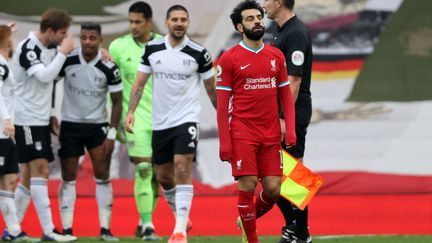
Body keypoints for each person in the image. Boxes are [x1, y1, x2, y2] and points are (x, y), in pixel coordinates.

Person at [125, 4, 216, 243]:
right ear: (166, 22)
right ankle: (181, 216)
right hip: (161, 122)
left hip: (186, 119)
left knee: (182, 167)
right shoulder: (152, 49)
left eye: (183, 19)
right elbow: (139, 84)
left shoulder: (199, 53)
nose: (179, 23)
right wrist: (131, 112)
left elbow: (212, 89)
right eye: (174, 19)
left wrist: (224, 116)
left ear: (187, 23)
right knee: (164, 177)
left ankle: (179, 231)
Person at [216, 1, 296, 242]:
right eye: (250, 19)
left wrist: (290, 130)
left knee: (273, 190)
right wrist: (225, 142)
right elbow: (222, 106)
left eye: (259, 17)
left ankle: (246, 218)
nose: (258, 21)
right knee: (248, 185)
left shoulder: (276, 55)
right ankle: (252, 239)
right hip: (243, 133)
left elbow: (285, 95)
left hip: (271, 134)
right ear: (240, 27)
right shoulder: (229, 60)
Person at [10, 8, 76, 242]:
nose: (64, 38)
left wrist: (49, 113)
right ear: (49, 31)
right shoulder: (28, 49)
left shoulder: (48, 48)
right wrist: (64, 54)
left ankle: (12, 230)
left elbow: (51, 82)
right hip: (26, 120)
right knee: (42, 171)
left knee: (28, 176)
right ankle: (48, 231)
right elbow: (45, 77)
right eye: (62, 33)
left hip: (38, 119)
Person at [56, 22, 122, 241]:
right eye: (83, 37)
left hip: (97, 127)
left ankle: (105, 229)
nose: (87, 42)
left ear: (100, 40)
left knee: (102, 175)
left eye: (92, 38)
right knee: (68, 176)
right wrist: (49, 114)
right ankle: (66, 229)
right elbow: (47, 82)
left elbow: (118, 102)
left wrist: (112, 133)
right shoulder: (68, 59)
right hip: (70, 125)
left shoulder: (109, 66)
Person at [108, 2, 162, 239]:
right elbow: (112, 86)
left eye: (138, 22)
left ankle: (143, 222)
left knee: (159, 177)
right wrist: (115, 119)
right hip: (134, 119)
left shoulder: (163, 44)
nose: (133, 26)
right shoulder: (118, 47)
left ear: (148, 21)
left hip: (163, 120)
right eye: (130, 21)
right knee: (143, 169)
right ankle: (149, 225)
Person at [263, 0, 313, 242]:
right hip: (280, 111)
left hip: (291, 112)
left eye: (267, 0)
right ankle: (294, 227)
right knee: (272, 175)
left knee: (293, 175)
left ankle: (301, 234)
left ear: (279, 2)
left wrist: (285, 118)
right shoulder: (281, 31)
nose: (264, 4)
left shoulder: (295, 32)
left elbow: (294, 81)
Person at [0, 24, 41, 243]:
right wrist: (7, 119)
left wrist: (5, 31)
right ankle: (14, 230)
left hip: (6, 136)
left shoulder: (4, 62)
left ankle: (14, 231)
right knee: (6, 182)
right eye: (11, 40)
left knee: (8, 181)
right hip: (1, 133)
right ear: (8, 44)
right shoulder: (0, 64)